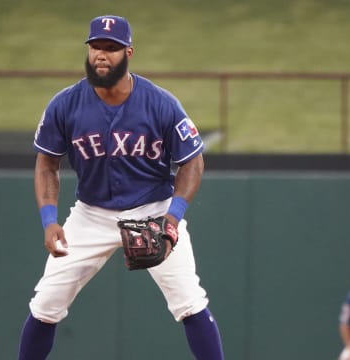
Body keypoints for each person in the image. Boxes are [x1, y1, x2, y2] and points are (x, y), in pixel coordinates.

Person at [17, 14, 224, 360]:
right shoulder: (65, 104)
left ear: (128, 53)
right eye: (96, 46)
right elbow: (47, 163)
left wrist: (172, 218)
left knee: (189, 301)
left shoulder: (160, 103)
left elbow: (193, 161)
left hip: (154, 211)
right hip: (90, 215)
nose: (101, 54)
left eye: (111, 48)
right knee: (45, 304)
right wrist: (49, 219)